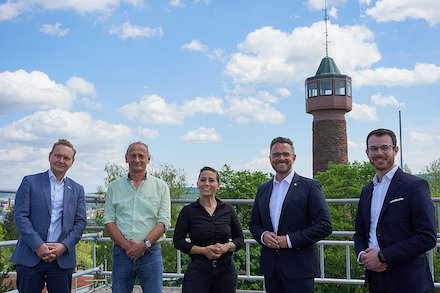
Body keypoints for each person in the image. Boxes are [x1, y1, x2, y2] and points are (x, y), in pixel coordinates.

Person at [354, 128, 436, 293]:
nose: (379, 153)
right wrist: (363, 255)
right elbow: (360, 232)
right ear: (367, 153)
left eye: (385, 147)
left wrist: (383, 257)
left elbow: (427, 237)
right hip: (375, 279)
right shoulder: (366, 190)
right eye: (374, 149)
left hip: (408, 281)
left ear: (395, 150)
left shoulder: (414, 186)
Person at [249, 136, 332, 293]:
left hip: (300, 268)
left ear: (293, 157)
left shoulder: (310, 186)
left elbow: (325, 226)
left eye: (285, 154)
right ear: (270, 159)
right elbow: (254, 224)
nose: (281, 158)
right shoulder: (263, 189)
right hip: (271, 268)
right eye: (276, 155)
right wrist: (263, 235)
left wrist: (289, 240)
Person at [10, 139, 87, 293]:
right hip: (30, 255)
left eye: (66, 158)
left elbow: (80, 223)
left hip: (62, 258)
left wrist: (63, 246)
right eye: (58, 156)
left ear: (72, 162)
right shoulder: (30, 182)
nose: (61, 160)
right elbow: (20, 217)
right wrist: (38, 245)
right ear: (50, 156)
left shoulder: (77, 189)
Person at [103, 141, 171, 293]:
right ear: (126, 158)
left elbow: (164, 221)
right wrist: (128, 247)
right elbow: (108, 221)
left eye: (141, 156)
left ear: (148, 159)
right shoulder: (114, 187)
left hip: (151, 253)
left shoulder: (161, 187)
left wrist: (144, 245)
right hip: (121, 253)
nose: (137, 159)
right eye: (133, 155)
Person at [173, 166, 244, 293]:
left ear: (218, 185)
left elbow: (239, 239)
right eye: (203, 180)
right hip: (197, 271)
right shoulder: (188, 211)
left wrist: (226, 247)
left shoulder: (228, 210)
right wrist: (203, 251)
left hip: (226, 271)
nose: (207, 183)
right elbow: (178, 241)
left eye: (211, 180)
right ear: (197, 184)